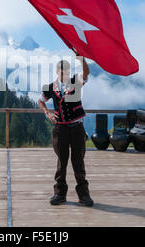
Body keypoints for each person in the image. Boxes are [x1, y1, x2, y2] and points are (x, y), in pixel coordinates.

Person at [38, 54, 94, 207]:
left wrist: (82, 59)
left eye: (68, 72)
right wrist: (47, 113)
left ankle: (84, 195)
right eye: (63, 72)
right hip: (60, 129)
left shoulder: (76, 82)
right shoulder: (49, 87)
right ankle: (59, 194)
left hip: (77, 128)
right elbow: (40, 100)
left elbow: (86, 73)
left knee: (78, 162)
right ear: (57, 72)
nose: (66, 75)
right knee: (61, 162)